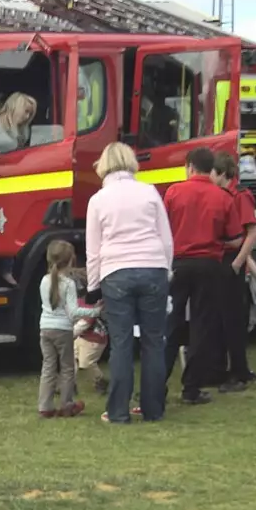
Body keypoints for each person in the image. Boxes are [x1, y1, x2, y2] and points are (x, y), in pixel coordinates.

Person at [85, 141, 173, 424]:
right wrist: (166, 271)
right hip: (153, 267)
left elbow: (93, 250)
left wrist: (92, 287)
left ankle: (118, 411)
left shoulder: (98, 200)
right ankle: (153, 409)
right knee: (153, 342)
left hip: (116, 271)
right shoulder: (149, 192)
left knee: (121, 344)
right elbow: (166, 238)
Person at [162, 147, 243, 406]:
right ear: (211, 170)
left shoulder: (174, 192)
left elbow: (163, 229)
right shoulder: (223, 197)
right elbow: (236, 238)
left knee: (171, 324)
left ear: (189, 167)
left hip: (179, 264)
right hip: (209, 265)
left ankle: (157, 382)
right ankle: (191, 388)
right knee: (201, 326)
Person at [211, 151, 256, 385]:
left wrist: (237, 263)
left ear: (221, 173)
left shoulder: (240, 195)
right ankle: (223, 369)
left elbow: (252, 232)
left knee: (233, 320)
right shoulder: (220, 194)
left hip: (232, 260)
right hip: (223, 260)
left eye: (211, 172)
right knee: (221, 318)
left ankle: (239, 371)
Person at [36, 240, 97, 419]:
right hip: (62, 330)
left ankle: (45, 406)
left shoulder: (44, 280)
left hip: (45, 328)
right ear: (71, 260)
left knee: (48, 367)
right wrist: (96, 311)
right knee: (67, 368)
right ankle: (67, 404)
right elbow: (73, 312)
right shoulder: (68, 284)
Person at [0, 93, 36, 157]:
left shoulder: (23, 128)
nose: (27, 117)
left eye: (30, 114)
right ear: (17, 108)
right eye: (26, 111)